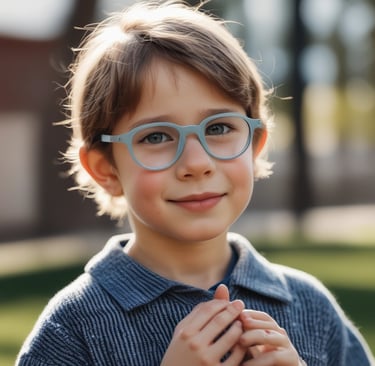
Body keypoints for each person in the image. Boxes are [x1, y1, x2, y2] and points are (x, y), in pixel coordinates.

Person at [17, 1, 374, 365]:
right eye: (156, 136)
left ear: (253, 146)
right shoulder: (72, 329)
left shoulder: (310, 308)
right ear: (105, 168)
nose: (196, 164)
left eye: (218, 128)